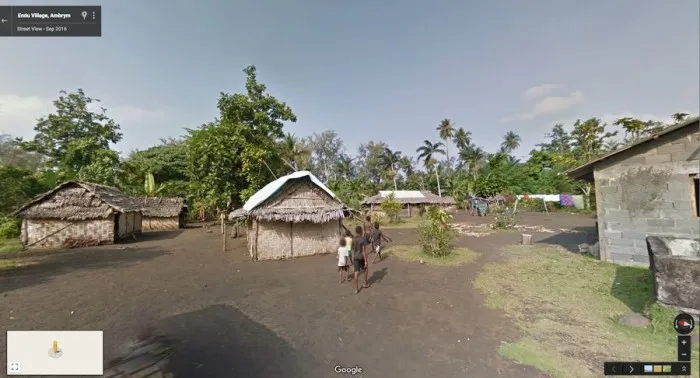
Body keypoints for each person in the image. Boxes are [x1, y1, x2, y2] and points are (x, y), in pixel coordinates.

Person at [352, 225, 370, 294]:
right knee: (365, 269)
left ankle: (356, 289)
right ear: (361, 231)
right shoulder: (363, 239)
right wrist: (365, 261)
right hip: (361, 257)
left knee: (356, 272)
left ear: (356, 232)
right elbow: (363, 250)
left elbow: (353, 249)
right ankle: (365, 284)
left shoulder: (353, 239)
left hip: (355, 257)